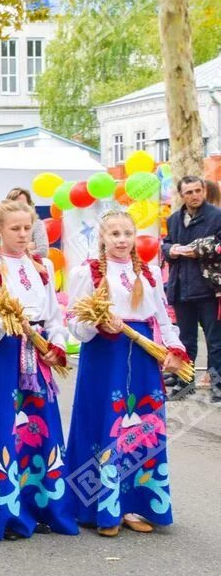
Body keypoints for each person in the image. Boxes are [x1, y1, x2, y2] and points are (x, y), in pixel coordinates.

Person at [68, 210, 188, 536]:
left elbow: (163, 319)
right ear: (102, 238)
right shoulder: (87, 274)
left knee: (141, 428)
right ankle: (101, 508)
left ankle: (135, 504)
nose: (121, 240)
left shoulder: (148, 273)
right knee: (106, 424)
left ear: (135, 237)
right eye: (114, 234)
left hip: (144, 359)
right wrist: (96, 322)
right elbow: (74, 326)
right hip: (105, 359)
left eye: (127, 234)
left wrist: (175, 349)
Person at [0, 199, 77, 541]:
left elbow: (54, 315)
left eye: (27, 228)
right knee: (7, 426)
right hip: (5, 355)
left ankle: (45, 506)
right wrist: (9, 321)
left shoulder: (42, 267)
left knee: (41, 427)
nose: (22, 234)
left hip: (38, 352)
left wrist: (55, 341)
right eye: (15, 228)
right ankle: (8, 511)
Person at [161, 175, 221, 398]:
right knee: (185, 341)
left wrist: (200, 249)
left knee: (215, 340)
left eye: (198, 191)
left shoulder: (217, 217)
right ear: (181, 195)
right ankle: (185, 383)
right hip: (181, 288)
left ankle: (218, 385)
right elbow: (165, 245)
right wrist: (172, 250)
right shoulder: (174, 219)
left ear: (204, 190)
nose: (195, 196)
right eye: (189, 192)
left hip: (209, 289)